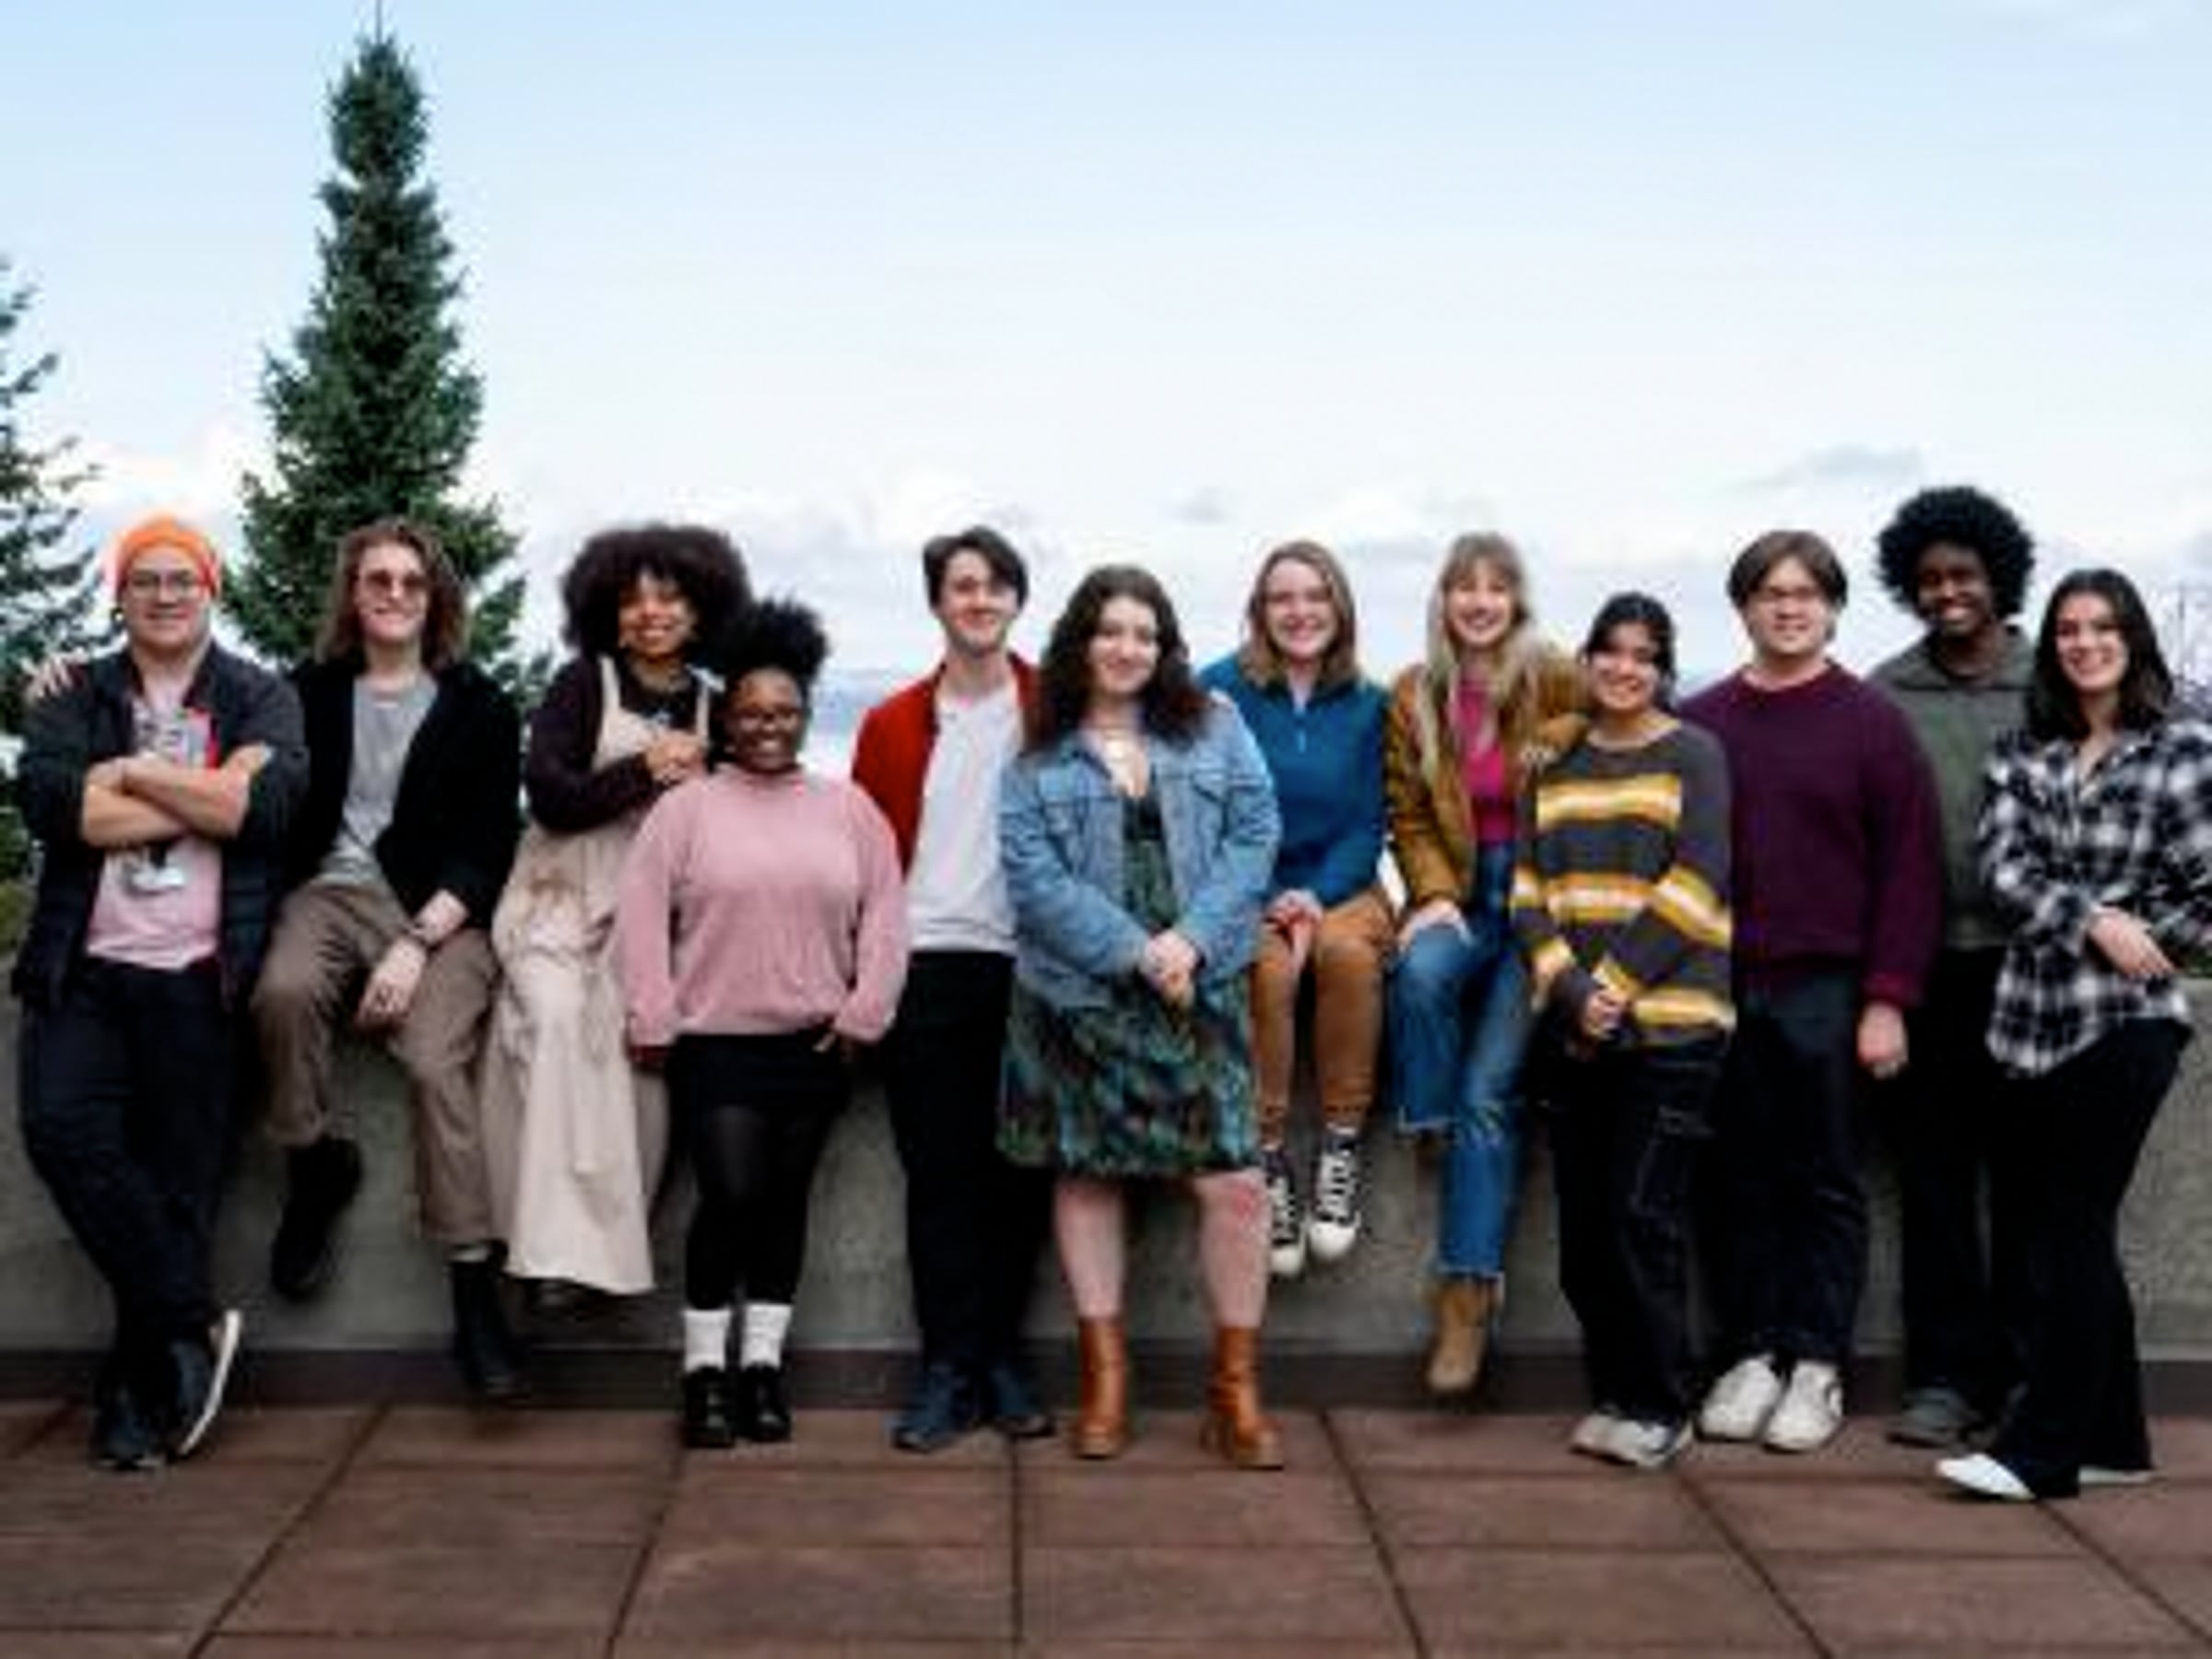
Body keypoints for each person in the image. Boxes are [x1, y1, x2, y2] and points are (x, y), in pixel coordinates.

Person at [14, 515, 307, 1468]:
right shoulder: (74, 691)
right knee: (63, 1135)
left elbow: (264, 809)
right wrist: (206, 791)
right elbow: (56, 807)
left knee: (181, 1189)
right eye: (147, 579)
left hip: (200, 977)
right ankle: (189, 1321)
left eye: (184, 578)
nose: (166, 594)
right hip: (83, 972)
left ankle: (132, 1403)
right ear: (122, 594)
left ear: (210, 589)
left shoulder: (260, 694)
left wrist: (133, 773)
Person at [998, 564, 1284, 1467]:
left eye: (1145, 635)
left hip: (1201, 982)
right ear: (1081, 642)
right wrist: (1137, 950)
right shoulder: (1038, 749)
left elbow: (1255, 834)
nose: (1127, 649)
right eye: (1111, 631)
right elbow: (1033, 878)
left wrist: (1190, 941)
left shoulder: (1216, 724)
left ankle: (1234, 1391)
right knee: (1088, 1177)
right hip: (1081, 990)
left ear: (1165, 649)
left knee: (1235, 1186)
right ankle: (1106, 1378)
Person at [1939, 570, 2212, 1501]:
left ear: (2132, 640)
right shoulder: (2024, 752)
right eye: (2068, 629)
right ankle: (2116, 1442)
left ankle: (2042, 1451)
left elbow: (2207, 895)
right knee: (2060, 1229)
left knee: (2073, 1229)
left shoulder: (2184, 752)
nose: (2086, 643)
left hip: (2128, 1020)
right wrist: (2096, 918)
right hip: (2028, 1022)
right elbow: (2001, 869)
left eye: (2103, 627)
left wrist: (2147, 936)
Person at [618, 599, 908, 1449]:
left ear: (806, 715)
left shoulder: (849, 810)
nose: (767, 726)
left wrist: (865, 1012)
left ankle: (762, 1369)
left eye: (783, 712)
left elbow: (887, 916)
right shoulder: (687, 811)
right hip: (713, 1043)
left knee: (785, 1206)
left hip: (816, 1043)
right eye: (749, 713)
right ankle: (703, 1373)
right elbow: (641, 914)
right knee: (731, 1197)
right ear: (725, 720)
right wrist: (653, 1013)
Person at [250, 519, 525, 1399]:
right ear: (353, 593)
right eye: (379, 580)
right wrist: (70, 682)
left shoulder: (479, 705)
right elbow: (209, 721)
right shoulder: (307, 693)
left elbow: (489, 846)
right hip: (326, 895)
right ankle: (313, 1164)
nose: (396, 595)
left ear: (436, 597)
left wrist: (414, 943)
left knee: (435, 1061)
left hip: (440, 913)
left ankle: (473, 1283)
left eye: (412, 581)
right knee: (283, 992)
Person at [1685, 530, 1940, 1453]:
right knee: (1734, 1176)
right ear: (1743, 607)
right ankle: (1752, 1353)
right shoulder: (1702, 722)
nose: (1788, 608)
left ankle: (1817, 1364)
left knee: (1825, 1180)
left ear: (1832, 608)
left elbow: (1911, 871)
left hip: (1830, 988)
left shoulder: (1872, 723)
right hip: (1721, 987)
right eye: (1770, 593)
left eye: (1806, 594)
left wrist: (1888, 998)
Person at [480, 524, 749, 1308]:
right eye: (633, 600)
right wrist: (644, 768)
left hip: (656, 923)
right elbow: (549, 796)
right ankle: (548, 1256)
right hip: (560, 902)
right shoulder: (581, 685)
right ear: (608, 613)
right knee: (557, 1022)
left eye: (669, 598)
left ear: (701, 612)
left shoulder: (718, 706)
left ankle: (603, 1253)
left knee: (640, 1064)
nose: (650, 612)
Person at [1512, 594, 1732, 1470]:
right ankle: (1615, 1389)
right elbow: (1527, 888)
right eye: (1610, 651)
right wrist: (1570, 989)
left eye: (1644, 655)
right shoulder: (1552, 760)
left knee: (1642, 1219)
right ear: (1588, 660)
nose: (1625, 668)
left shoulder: (1694, 753)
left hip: (1672, 1031)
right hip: (1576, 1030)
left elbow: (1701, 878)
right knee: (1585, 1238)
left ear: (1663, 669)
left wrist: (1613, 984)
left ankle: (1661, 1403)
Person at [852, 526, 1057, 1453]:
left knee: (1018, 1176)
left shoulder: (1056, 709)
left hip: (1033, 967)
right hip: (925, 963)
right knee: (939, 1179)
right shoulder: (891, 722)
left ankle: (1002, 1360)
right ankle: (946, 1369)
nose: (980, 600)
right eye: (962, 586)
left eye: (996, 585)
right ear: (937, 602)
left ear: (1017, 600)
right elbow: (862, 861)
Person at [1384, 532, 1582, 1398]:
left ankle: (1467, 1295)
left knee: (1489, 1096)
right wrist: (1428, 892)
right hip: (1460, 891)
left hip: (1537, 901)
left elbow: (1618, 720)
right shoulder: (1415, 691)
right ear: (1443, 599)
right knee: (1419, 976)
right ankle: (1426, 1123)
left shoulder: (1555, 675)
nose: (1479, 601)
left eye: (1496, 587)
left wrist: (1566, 728)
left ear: (1517, 599)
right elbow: (1407, 810)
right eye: (1464, 586)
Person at [1869, 487, 2037, 1449]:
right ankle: (1945, 1379)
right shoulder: (1888, 693)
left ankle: (2025, 1378)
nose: (1946, 592)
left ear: (1999, 575)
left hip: (2035, 971)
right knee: (1933, 1186)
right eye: (1928, 578)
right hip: (1925, 970)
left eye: (1963, 574)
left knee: (2027, 1186)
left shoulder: (2048, 679)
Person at [1201, 540, 1390, 1279]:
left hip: (1343, 886)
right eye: (1282, 598)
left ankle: (1341, 1146)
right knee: (1267, 970)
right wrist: (1266, 894)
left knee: (1346, 955)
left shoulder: (1370, 702)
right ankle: (1269, 1157)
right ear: (1260, 610)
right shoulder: (1218, 691)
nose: (1300, 611)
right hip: (1248, 885)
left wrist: (1317, 895)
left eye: (1315, 596)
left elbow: (1368, 821)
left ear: (1339, 607)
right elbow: (1205, 812)